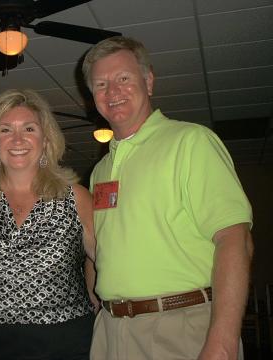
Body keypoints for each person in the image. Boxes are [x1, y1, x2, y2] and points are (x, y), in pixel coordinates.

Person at [83, 36, 254, 360]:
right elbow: (104, 248)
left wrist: (223, 342)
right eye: (101, 84)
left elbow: (235, 240)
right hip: (110, 329)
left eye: (123, 79)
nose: (112, 91)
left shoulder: (191, 141)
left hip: (178, 326)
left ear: (148, 82)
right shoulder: (101, 169)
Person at [0, 89, 97, 360]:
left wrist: (96, 296)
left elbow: (105, 260)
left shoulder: (75, 196)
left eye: (29, 128)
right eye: (6, 130)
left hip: (64, 342)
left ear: (45, 139)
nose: (17, 139)